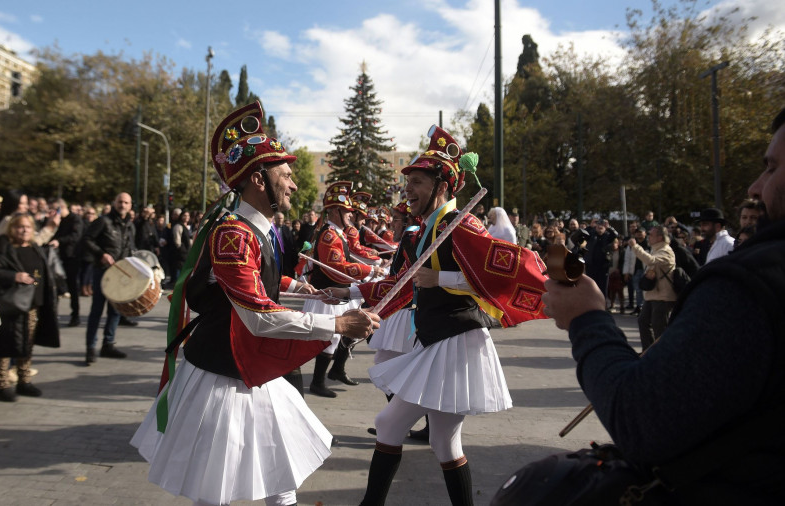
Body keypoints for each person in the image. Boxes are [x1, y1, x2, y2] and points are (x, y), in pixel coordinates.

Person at [130, 101, 379, 506]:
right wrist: (337, 325)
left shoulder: (251, 230)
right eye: (286, 175)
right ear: (259, 180)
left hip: (249, 368)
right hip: (224, 374)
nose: (294, 185)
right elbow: (257, 317)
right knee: (216, 489)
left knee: (279, 481)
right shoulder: (234, 234)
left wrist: (300, 288)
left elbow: (255, 280)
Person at [539, 108, 785, 503]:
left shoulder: (751, 285)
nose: (756, 186)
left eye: (772, 168)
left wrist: (587, 319)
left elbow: (641, 418)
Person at [345, 127, 549, 506]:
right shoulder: (428, 229)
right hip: (440, 340)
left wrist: (442, 277)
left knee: (391, 424)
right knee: (444, 441)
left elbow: (501, 275)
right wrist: (351, 293)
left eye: (417, 182)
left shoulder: (461, 224)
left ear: (443, 186)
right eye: (409, 182)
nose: (408, 190)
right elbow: (403, 283)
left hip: (456, 341)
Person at [299, 181, 386, 398]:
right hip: (327, 293)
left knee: (334, 338)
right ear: (334, 211)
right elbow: (335, 269)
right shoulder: (329, 235)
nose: (350, 214)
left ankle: (323, 378)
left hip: (335, 293)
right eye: (346, 210)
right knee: (325, 338)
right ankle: (314, 381)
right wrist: (368, 271)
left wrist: (370, 269)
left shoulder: (337, 233)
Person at [0, 213, 60, 402]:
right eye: (19, 227)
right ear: (11, 228)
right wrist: (14, 276)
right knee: (3, 346)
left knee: (27, 344)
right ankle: (2, 385)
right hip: (10, 303)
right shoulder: (4, 246)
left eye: (28, 226)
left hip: (33, 304)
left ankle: (24, 380)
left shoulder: (35, 246)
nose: (24, 230)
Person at [81, 193, 136, 364]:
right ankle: (90, 348)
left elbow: (130, 248)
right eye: (120, 201)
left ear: (130, 205)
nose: (123, 205)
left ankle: (108, 344)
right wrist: (101, 254)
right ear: (114, 202)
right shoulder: (103, 221)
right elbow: (87, 239)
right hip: (103, 272)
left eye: (126, 202)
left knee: (115, 311)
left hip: (120, 273)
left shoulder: (129, 225)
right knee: (97, 311)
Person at [628, 226, 676, 351]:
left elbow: (651, 261)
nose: (648, 237)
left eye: (651, 235)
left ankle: (663, 354)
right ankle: (648, 351)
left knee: (659, 326)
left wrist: (635, 247)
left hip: (663, 296)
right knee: (643, 322)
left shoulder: (666, 251)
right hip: (653, 295)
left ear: (660, 237)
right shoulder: (656, 249)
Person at [49, 199, 83, 326]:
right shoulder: (56, 221)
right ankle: (52, 315)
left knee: (72, 287)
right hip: (57, 258)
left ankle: (75, 315)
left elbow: (75, 236)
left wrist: (59, 241)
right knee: (55, 287)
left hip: (71, 257)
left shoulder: (75, 219)